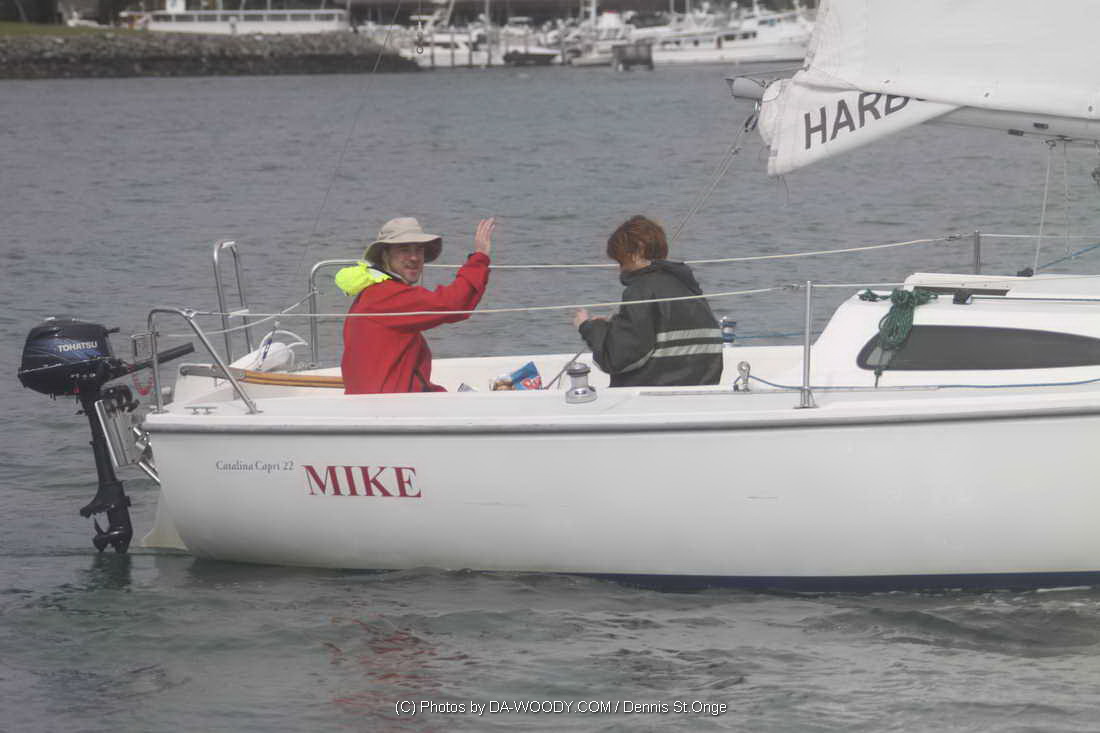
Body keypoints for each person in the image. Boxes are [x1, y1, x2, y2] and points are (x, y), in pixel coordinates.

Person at [338, 216, 495, 394]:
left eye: (419, 250)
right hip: (389, 405)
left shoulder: (374, 291)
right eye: (404, 249)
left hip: (378, 401)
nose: (414, 257)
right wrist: (480, 258)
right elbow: (453, 304)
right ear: (385, 255)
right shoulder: (387, 295)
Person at [573, 215, 723, 387]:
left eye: (621, 261)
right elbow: (659, 333)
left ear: (636, 253)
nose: (620, 269)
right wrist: (613, 327)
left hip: (656, 393)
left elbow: (617, 358)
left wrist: (589, 328)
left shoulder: (641, 290)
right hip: (701, 388)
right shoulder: (688, 286)